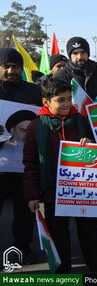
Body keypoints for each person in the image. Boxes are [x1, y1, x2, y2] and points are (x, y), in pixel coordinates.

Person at [23, 76, 97, 273]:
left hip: (83, 192)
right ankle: (63, 274)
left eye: (69, 99)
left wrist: (91, 145)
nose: (67, 104)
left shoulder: (82, 121)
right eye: (61, 100)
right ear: (46, 102)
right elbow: (31, 164)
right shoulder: (36, 127)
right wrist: (32, 196)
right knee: (59, 236)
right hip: (51, 193)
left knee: (90, 232)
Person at [0, 48, 41, 265]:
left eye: (15, 66)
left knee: (25, 211)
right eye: (6, 66)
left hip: (24, 165)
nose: (11, 70)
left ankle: (23, 247)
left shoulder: (34, 91)